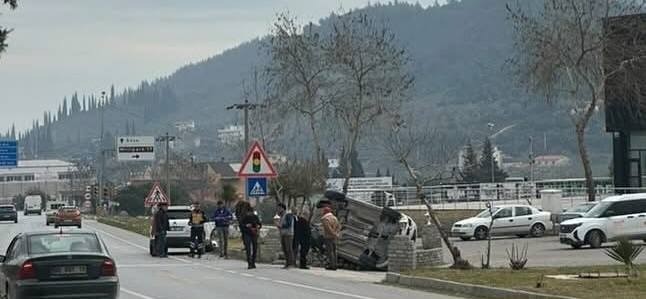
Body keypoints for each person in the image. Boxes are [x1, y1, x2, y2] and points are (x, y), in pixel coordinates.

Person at [320, 206, 340, 270]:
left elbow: (328, 228)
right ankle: (335, 264)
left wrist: (333, 234)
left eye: (323, 211)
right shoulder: (335, 218)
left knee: (330, 251)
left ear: (325, 212)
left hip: (328, 236)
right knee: (334, 251)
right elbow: (338, 226)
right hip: (334, 237)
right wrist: (336, 234)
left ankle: (332, 265)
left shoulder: (325, 219)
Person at [276, 203, 295, 269]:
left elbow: (288, 224)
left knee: (288, 249)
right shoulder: (282, 215)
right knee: (284, 249)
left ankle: (291, 263)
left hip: (288, 234)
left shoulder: (288, 215)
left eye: (279, 208)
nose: (278, 210)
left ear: (282, 208)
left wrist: (281, 226)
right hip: (283, 234)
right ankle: (287, 263)